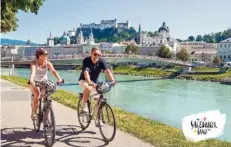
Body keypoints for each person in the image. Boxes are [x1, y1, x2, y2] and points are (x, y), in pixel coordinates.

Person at [78, 47, 116, 114]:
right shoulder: (86, 61)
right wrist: (89, 82)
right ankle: (84, 105)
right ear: (91, 53)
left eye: (99, 55)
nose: (97, 56)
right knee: (89, 88)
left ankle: (98, 118)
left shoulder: (101, 61)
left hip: (95, 83)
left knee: (99, 99)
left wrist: (112, 80)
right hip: (84, 80)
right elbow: (86, 73)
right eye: (95, 54)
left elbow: (107, 71)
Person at [28, 48, 63, 120]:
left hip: (44, 82)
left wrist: (59, 79)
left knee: (47, 98)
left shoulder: (48, 63)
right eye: (44, 54)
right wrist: (31, 80)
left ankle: (46, 117)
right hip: (35, 82)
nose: (46, 56)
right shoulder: (34, 63)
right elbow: (33, 72)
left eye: (47, 54)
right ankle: (34, 113)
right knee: (37, 95)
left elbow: (53, 71)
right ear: (39, 55)